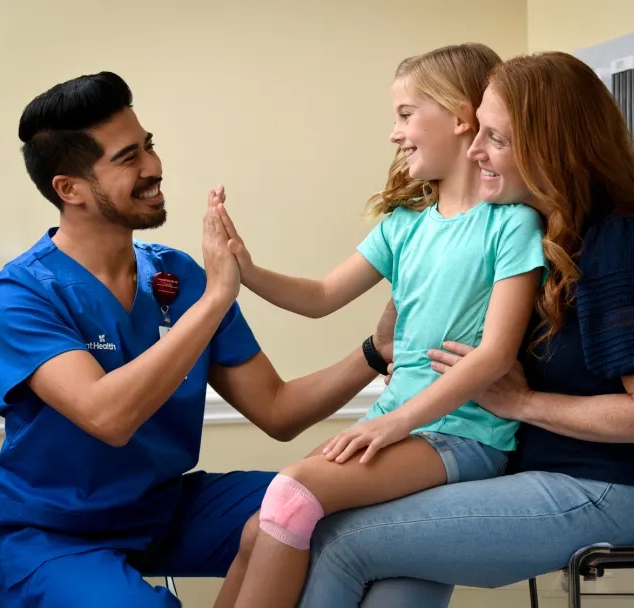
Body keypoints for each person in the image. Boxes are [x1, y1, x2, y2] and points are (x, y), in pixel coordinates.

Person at [0, 71, 397, 607]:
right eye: (128, 158)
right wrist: (218, 297)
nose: (153, 167)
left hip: (163, 509)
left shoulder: (176, 277)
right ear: (69, 189)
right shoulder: (20, 293)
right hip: (52, 534)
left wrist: (374, 352)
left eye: (148, 146)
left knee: (321, 509)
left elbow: (278, 410)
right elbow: (108, 417)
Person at [287, 51, 634, 608]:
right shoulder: (543, 238)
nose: (475, 151)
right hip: (523, 468)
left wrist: (525, 404)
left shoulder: (613, 244)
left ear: (549, 147)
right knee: (394, 589)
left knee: (341, 539)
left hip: (601, 488)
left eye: (494, 138)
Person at [213, 43, 548, 608]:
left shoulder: (511, 224)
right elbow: (320, 297)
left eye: (405, 114)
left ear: (461, 117)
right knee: (257, 529)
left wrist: (392, 427)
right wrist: (244, 269)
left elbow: (494, 355)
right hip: (395, 425)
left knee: (291, 499)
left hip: (462, 433)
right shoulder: (403, 226)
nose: (394, 133)